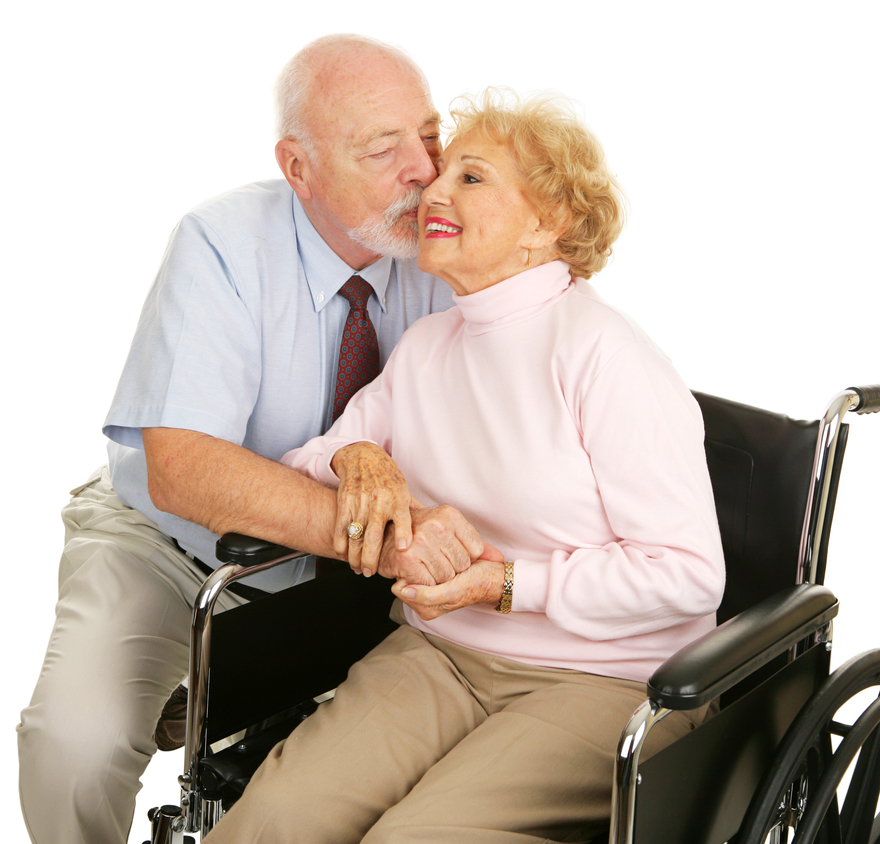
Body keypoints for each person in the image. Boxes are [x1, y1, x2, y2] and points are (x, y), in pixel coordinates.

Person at [203, 89, 727, 844]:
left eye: (471, 179)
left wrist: (511, 585)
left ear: (548, 224)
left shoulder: (607, 358)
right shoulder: (427, 347)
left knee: (409, 840)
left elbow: (688, 574)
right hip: (440, 653)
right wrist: (356, 456)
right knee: (275, 821)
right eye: (441, 174)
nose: (434, 191)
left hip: (608, 680)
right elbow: (310, 460)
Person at [17, 34, 475, 844]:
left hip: (345, 576)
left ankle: (209, 701)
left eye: (431, 136)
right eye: (382, 148)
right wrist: (372, 529)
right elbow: (184, 472)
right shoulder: (222, 243)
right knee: (74, 745)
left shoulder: (448, 243)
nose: (423, 169)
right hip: (169, 545)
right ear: (298, 169)